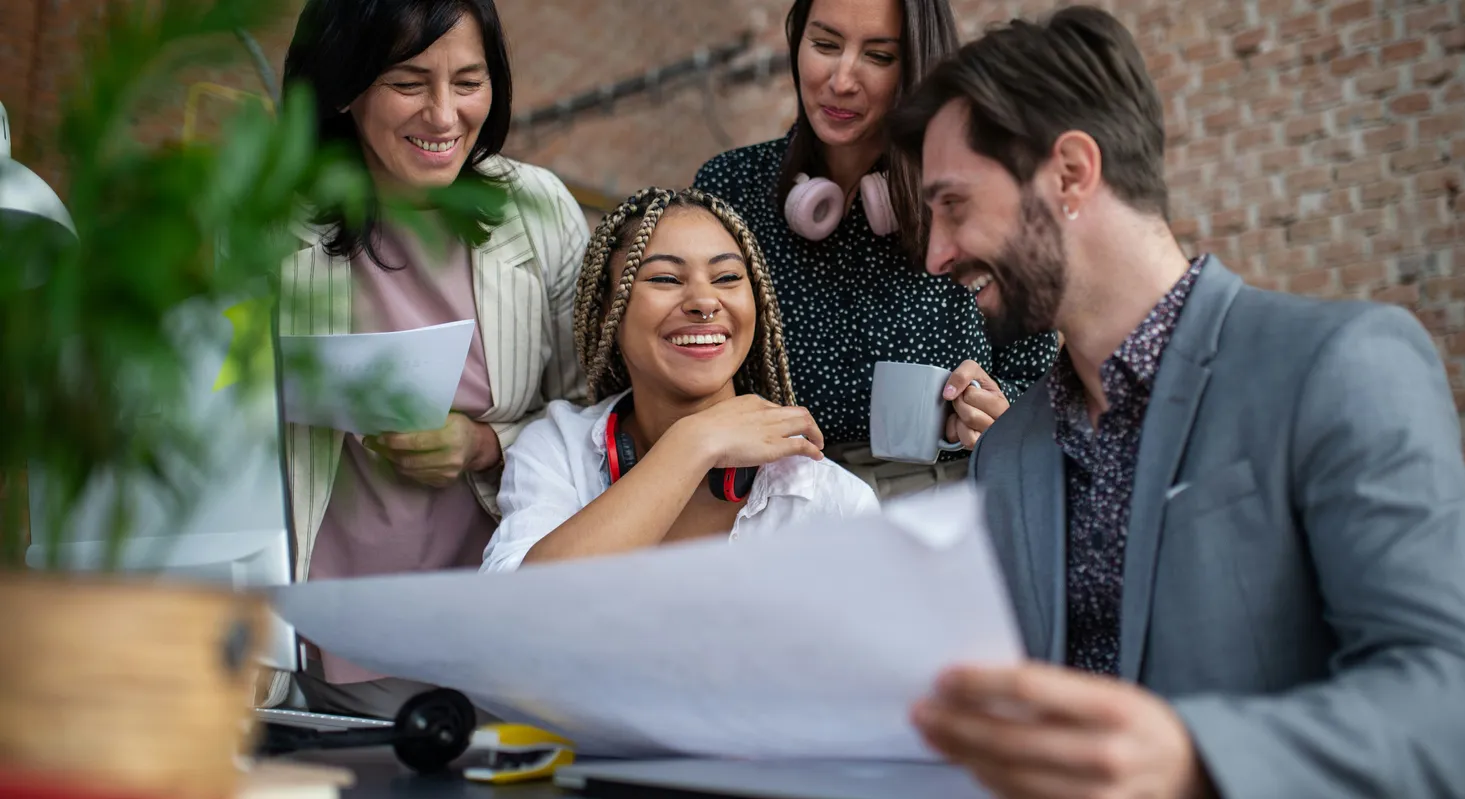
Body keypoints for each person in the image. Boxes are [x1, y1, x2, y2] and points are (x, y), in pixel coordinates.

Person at [887, 6, 1465, 799]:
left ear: (1071, 173)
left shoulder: (1342, 366)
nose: (935, 254)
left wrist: (1197, 757)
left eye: (953, 205)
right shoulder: (1007, 454)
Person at [267, 0, 589, 717]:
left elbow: (594, 419)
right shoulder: (269, 226)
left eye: (468, 82)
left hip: (500, 640)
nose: (444, 116)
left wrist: (484, 443)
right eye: (410, 84)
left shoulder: (536, 213)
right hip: (329, 647)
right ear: (345, 86)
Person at [692, 0, 1058, 500]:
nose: (841, 80)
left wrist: (999, 409)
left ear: (917, 68)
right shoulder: (731, 188)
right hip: (778, 511)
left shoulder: (979, 193)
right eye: (824, 45)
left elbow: (1047, 384)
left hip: (943, 508)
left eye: (879, 56)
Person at [482, 187, 879, 572]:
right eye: (665, 279)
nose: (705, 302)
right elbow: (515, 607)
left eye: (726, 277)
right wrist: (692, 445)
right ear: (608, 312)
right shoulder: (558, 452)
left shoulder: (831, 499)